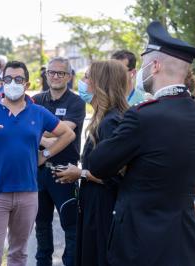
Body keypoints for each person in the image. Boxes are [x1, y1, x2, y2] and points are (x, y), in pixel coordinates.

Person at [87, 21, 195, 265]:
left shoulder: (143, 115)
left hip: (139, 244)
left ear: (155, 66)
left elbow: (98, 164)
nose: (140, 71)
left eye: (143, 65)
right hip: (182, 243)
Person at [0, 61, 75, 266]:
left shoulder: (38, 112)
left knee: (19, 253)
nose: (13, 83)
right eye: (9, 79)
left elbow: (68, 134)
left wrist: (45, 154)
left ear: (27, 84)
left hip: (28, 193)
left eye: (18, 79)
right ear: (2, 82)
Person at [56, 60, 129, 266]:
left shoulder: (110, 123)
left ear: (100, 83)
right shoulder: (103, 118)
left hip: (104, 207)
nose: (82, 81)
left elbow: (116, 176)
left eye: (87, 77)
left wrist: (80, 173)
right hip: (94, 204)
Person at [32, 57, 86, 266]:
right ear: (46, 75)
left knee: (71, 227)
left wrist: (41, 135)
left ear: (69, 77)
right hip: (39, 172)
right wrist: (53, 135)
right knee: (41, 225)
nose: (55, 76)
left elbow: (65, 133)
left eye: (61, 73)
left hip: (64, 172)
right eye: (51, 72)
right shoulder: (36, 100)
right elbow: (51, 133)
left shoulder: (76, 103)